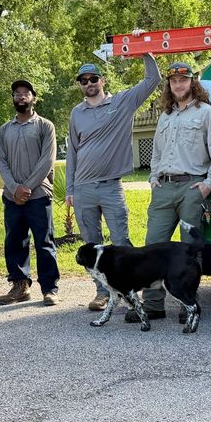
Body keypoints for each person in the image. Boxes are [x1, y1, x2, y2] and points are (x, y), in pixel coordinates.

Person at [125, 61, 211, 323]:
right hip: (163, 189)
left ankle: (188, 303)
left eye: (183, 80)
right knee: (152, 246)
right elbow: (157, 152)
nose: (178, 84)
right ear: (169, 85)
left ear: (193, 83)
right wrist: (153, 177)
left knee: (188, 249)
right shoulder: (165, 116)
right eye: (173, 81)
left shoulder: (208, 114)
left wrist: (208, 184)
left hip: (191, 188)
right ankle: (153, 305)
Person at [66, 57, 161, 311]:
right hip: (83, 187)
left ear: (102, 80)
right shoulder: (77, 113)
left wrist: (144, 52)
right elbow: (73, 152)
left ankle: (130, 292)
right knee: (91, 244)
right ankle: (102, 293)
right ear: (81, 85)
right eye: (84, 81)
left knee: (121, 242)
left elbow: (153, 80)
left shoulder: (121, 103)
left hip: (110, 187)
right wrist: (70, 189)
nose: (89, 83)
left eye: (93, 79)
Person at [0, 79, 60, 306]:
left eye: (25, 93)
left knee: (44, 242)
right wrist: (15, 188)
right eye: (17, 94)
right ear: (13, 99)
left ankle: (50, 288)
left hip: (39, 194)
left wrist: (27, 187)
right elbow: (1, 161)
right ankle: (19, 286)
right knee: (15, 241)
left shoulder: (45, 126)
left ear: (33, 98)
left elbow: (47, 160)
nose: (21, 97)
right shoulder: (4, 130)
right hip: (12, 196)